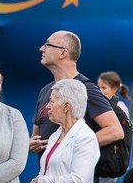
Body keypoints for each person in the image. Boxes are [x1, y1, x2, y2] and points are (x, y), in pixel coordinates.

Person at [30, 31, 122, 162]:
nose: (41, 49)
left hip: (77, 173)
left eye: (47, 45)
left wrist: (71, 147)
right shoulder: (45, 91)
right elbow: (35, 136)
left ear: (63, 53)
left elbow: (115, 131)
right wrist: (32, 144)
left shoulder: (85, 88)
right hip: (48, 174)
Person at [30, 80, 99, 183]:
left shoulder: (85, 137)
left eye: (51, 101)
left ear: (66, 106)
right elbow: (47, 170)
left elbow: (78, 179)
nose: (47, 106)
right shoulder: (56, 134)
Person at [95, 71, 130, 183]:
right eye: (98, 87)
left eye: (104, 88)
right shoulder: (102, 107)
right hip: (104, 160)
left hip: (110, 161)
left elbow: (121, 136)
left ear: (114, 89)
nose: (100, 91)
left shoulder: (119, 107)